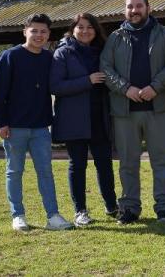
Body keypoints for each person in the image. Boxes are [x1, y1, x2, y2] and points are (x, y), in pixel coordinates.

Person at [100, 0, 165, 224]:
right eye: (129, 7)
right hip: (124, 111)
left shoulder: (164, 34)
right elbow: (106, 68)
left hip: (158, 108)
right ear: (124, 10)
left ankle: (163, 207)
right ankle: (129, 208)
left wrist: (155, 87)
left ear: (148, 8)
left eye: (138, 6)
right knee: (127, 162)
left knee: (162, 160)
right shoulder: (115, 38)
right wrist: (125, 88)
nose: (134, 10)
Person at [0, 13, 73, 231]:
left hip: (40, 128)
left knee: (46, 172)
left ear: (48, 34)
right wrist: (0, 122)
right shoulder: (10, 56)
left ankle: (52, 216)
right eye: (34, 30)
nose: (38, 35)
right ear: (25, 32)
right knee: (14, 171)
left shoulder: (49, 58)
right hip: (13, 127)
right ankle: (18, 215)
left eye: (43, 31)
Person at [50, 13, 118, 227]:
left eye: (90, 27)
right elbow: (56, 86)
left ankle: (112, 205)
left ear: (96, 30)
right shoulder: (62, 53)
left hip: (99, 117)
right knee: (77, 165)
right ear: (73, 29)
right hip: (74, 119)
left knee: (105, 164)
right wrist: (86, 81)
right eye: (80, 27)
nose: (85, 30)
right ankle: (80, 211)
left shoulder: (103, 51)